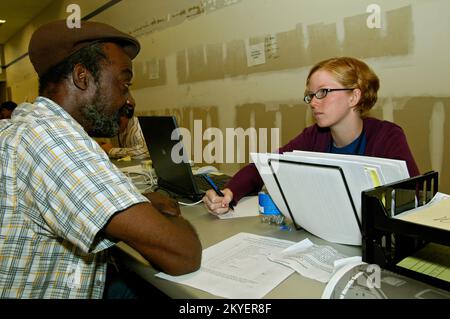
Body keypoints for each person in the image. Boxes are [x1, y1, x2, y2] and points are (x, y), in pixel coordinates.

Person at [0, 20, 201, 298]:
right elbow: (184, 254)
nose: (129, 100)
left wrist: (138, 204)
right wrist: (156, 207)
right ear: (82, 77)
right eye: (124, 84)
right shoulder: (55, 141)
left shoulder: (27, 126)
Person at [203, 56, 420, 215]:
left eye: (323, 92)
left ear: (354, 96)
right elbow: (265, 166)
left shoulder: (387, 136)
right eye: (311, 95)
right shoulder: (314, 137)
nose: (314, 102)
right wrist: (228, 193)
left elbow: (415, 196)